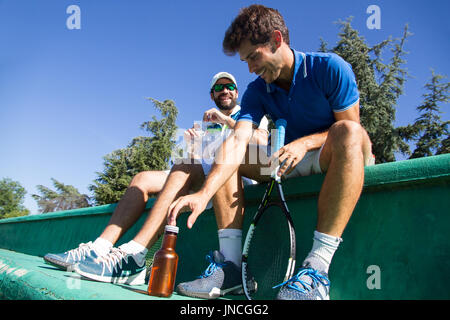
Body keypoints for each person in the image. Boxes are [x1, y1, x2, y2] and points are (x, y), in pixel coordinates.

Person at [168, 4, 373, 300]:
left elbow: (351, 130)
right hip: (287, 162)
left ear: (276, 40)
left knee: (350, 133)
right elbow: (238, 142)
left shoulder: (330, 67)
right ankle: (232, 269)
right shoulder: (256, 90)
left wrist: (305, 143)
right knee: (227, 150)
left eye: (254, 57)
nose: (250, 68)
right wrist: (203, 194)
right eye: (245, 61)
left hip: (332, 155)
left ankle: (317, 270)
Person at [43, 72, 269, 287]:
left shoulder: (246, 112)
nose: (225, 91)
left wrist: (227, 120)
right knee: (143, 178)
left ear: (237, 92)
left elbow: (260, 142)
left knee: (185, 165)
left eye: (229, 86)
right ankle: (100, 247)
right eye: (219, 87)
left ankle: (136, 255)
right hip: (202, 171)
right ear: (212, 94)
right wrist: (192, 145)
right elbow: (198, 160)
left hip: (230, 179)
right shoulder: (208, 123)